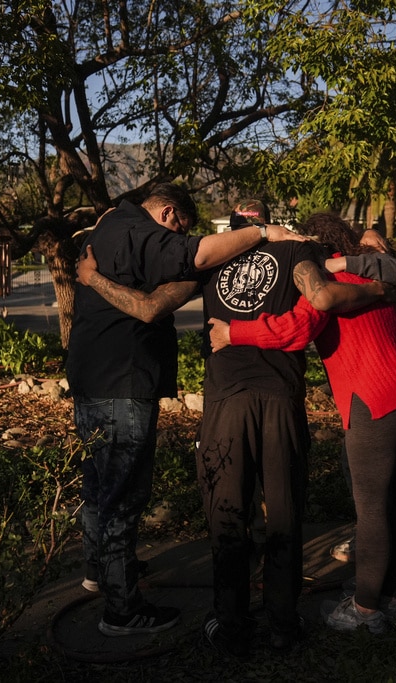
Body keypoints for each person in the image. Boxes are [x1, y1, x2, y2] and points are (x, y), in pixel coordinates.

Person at [74, 199, 394, 654]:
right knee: (283, 513)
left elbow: (147, 307)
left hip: (226, 403)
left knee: (227, 514)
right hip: (280, 398)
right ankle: (284, 623)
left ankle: (230, 624)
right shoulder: (296, 254)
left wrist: (93, 279)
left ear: (237, 227)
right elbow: (324, 289)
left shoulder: (211, 264)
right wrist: (379, 276)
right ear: (270, 225)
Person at [65, 185, 306, 637]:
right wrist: (262, 232)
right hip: (124, 380)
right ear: (168, 214)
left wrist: (92, 278)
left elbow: (149, 296)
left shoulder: (107, 228)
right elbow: (169, 286)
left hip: (91, 376)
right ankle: (121, 609)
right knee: (124, 493)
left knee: (99, 485)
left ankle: (101, 571)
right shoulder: (140, 233)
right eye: (180, 229)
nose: (180, 240)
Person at [208, 212, 396, 634]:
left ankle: (366, 611)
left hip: (373, 400)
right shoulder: (370, 274)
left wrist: (232, 334)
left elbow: (293, 330)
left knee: (372, 509)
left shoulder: (325, 282)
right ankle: (386, 587)